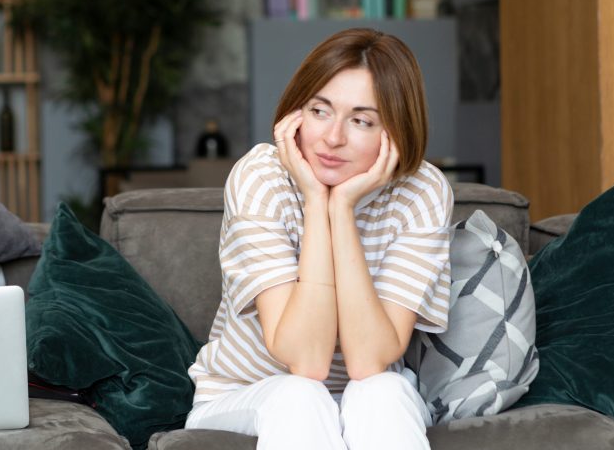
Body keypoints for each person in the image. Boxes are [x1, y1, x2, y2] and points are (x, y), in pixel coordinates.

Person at [185, 28, 453, 450]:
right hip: (248, 393)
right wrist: (315, 200)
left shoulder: (422, 192)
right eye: (320, 110)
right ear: (296, 113)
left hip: (364, 393)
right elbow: (306, 360)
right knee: (300, 396)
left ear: (397, 132)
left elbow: (369, 360)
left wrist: (341, 209)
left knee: (384, 390)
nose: (333, 138)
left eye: (361, 121)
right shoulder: (261, 178)